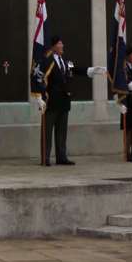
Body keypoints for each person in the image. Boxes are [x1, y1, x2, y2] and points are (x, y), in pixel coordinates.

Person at [39, 35, 76, 166]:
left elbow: (74, 71)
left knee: (62, 131)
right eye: (60, 43)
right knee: (47, 131)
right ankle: (46, 157)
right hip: (51, 101)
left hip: (64, 101)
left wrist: (90, 71)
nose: (62, 46)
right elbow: (40, 77)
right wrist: (40, 96)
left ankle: (61, 157)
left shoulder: (66, 60)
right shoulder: (47, 60)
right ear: (54, 46)